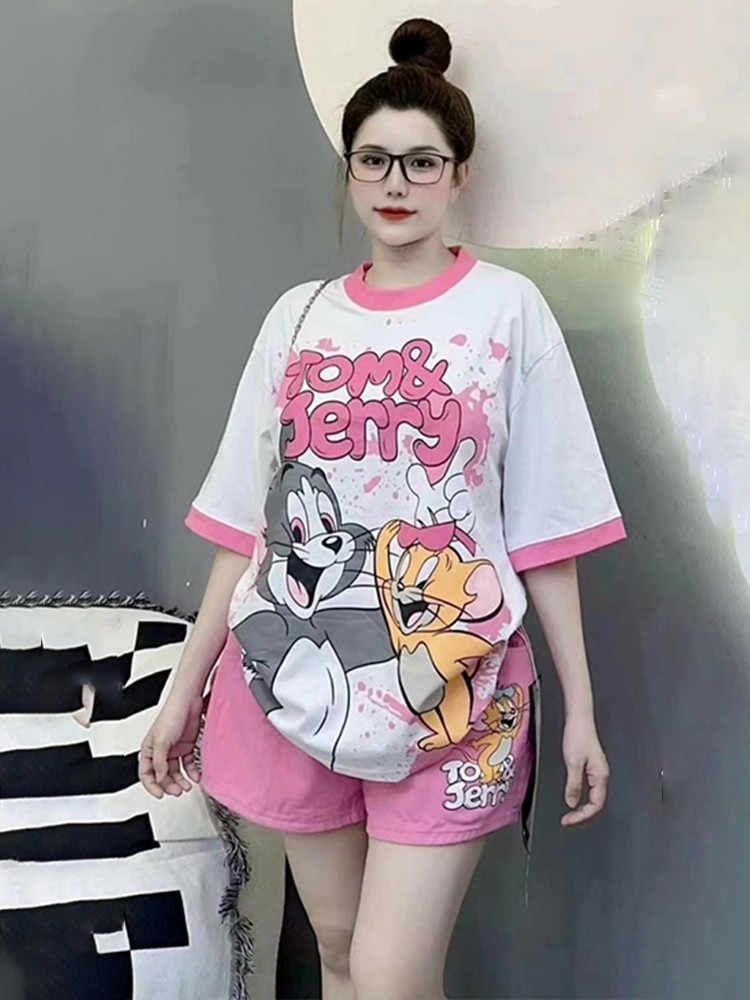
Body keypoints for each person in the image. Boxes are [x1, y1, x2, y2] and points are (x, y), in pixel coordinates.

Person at [140, 17, 626, 1000]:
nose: (396, 183)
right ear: (350, 172)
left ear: (458, 176)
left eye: (421, 161)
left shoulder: (505, 312)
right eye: (374, 160)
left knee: (392, 973)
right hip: (297, 679)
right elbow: (246, 523)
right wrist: (186, 685)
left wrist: (580, 709)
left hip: (457, 687)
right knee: (338, 952)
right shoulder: (298, 318)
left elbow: (547, 528)